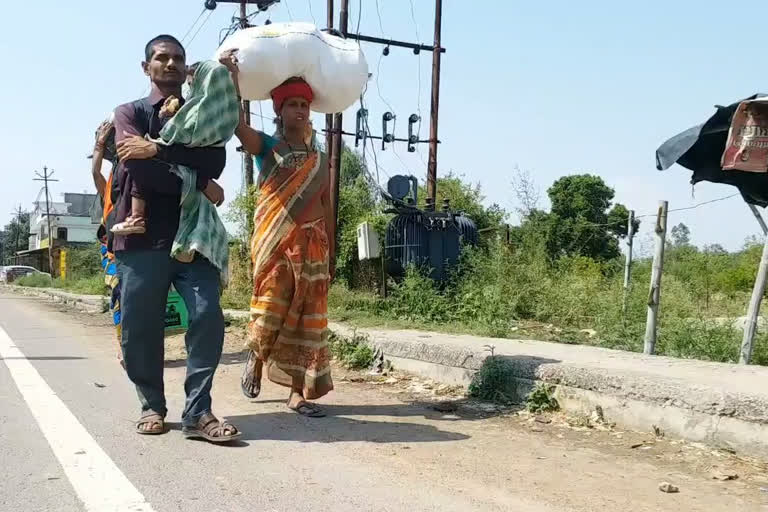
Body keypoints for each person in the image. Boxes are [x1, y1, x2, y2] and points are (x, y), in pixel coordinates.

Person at [112, 34, 240, 442]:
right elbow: (139, 169)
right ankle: (151, 404)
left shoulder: (203, 111)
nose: (169, 64)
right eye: (161, 58)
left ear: (187, 69)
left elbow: (216, 158)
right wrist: (196, 177)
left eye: (177, 59)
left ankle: (198, 413)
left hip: (193, 235)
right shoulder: (128, 112)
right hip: (142, 238)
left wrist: (159, 153)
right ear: (146, 66)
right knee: (141, 326)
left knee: (207, 315)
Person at [220, 50, 335, 417]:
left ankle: (296, 393)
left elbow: (326, 203)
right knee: (271, 309)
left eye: (305, 104)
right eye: (293, 105)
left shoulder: (319, 157)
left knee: (308, 317)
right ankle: (255, 357)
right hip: (276, 245)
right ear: (280, 111)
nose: (300, 110)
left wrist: (330, 251)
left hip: (313, 245)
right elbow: (237, 124)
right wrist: (231, 77)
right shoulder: (268, 149)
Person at [90, 117, 123, 369]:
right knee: (119, 297)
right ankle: (125, 347)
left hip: (137, 248)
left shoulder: (133, 179)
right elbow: (95, 172)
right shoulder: (109, 187)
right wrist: (99, 147)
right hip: (114, 253)